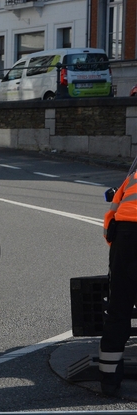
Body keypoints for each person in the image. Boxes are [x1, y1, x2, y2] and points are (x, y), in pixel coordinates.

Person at [98, 156, 137, 396]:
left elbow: (110, 217)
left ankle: (109, 382)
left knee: (118, 311)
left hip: (125, 238)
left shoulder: (133, 177)